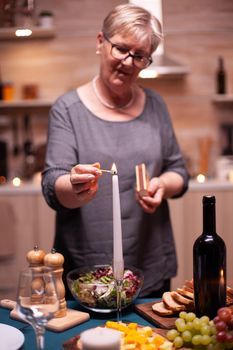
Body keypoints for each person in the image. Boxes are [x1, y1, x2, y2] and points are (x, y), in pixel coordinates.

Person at [42, 3, 189, 299]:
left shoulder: (156, 106)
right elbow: (52, 185)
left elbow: (179, 172)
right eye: (120, 49)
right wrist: (74, 185)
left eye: (139, 56)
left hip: (149, 264)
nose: (127, 61)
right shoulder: (68, 109)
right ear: (100, 42)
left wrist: (162, 185)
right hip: (86, 268)